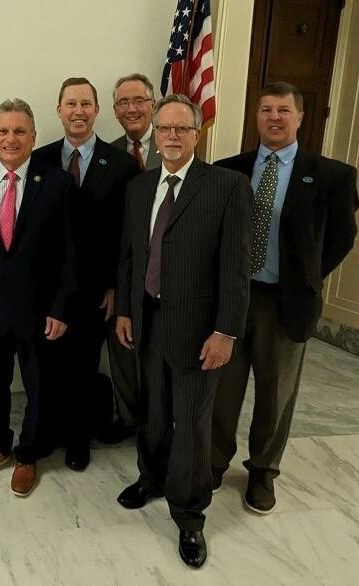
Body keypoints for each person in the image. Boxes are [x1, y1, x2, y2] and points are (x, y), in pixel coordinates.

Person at [115, 94, 252, 568]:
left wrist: (226, 332)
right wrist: (125, 312)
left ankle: (190, 515)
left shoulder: (227, 187)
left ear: (198, 134)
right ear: (154, 133)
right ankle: (150, 478)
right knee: (152, 412)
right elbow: (131, 256)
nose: (171, 136)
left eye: (181, 128)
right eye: (164, 128)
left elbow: (237, 268)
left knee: (192, 423)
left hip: (199, 332)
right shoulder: (140, 188)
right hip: (146, 321)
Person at [211, 82, 359, 514]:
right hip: (234, 299)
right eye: (266, 110)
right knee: (224, 387)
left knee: (276, 393)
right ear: (256, 117)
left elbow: (340, 239)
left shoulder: (332, 174)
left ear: (299, 117)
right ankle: (216, 459)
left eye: (283, 110)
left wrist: (306, 278)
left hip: (286, 302)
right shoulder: (228, 170)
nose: (274, 118)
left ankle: (262, 471)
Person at [0, 98, 76, 496]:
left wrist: (61, 307)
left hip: (40, 313)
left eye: (20, 131)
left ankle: (28, 454)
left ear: (33, 137)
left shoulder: (57, 184)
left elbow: (69, 254)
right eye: (4, 131)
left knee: (40, 388)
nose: (11, 139)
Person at [32, 77, 138, 470]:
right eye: (70, 104)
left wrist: (115, 286)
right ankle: (45, 433)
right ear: (58, 110)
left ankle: (79, 440)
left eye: (85, 104)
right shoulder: (38, 159)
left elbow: (127, 234)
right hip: (46, 288)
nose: (78, 111)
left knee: (83, 366)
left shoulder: (123, 164)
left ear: (97, 111)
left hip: (96, 290)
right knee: (45, 365)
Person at [104, 73, 162, 441]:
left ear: (153, 105)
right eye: (123, 103)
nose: (132, 108)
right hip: (120, 273)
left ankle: (157, 424)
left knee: (158, 356)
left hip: (164, 273)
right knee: (122, 349)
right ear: (114, 110)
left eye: (138, 100)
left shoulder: (174, 142)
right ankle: (128, 418)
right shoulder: (107, 154)